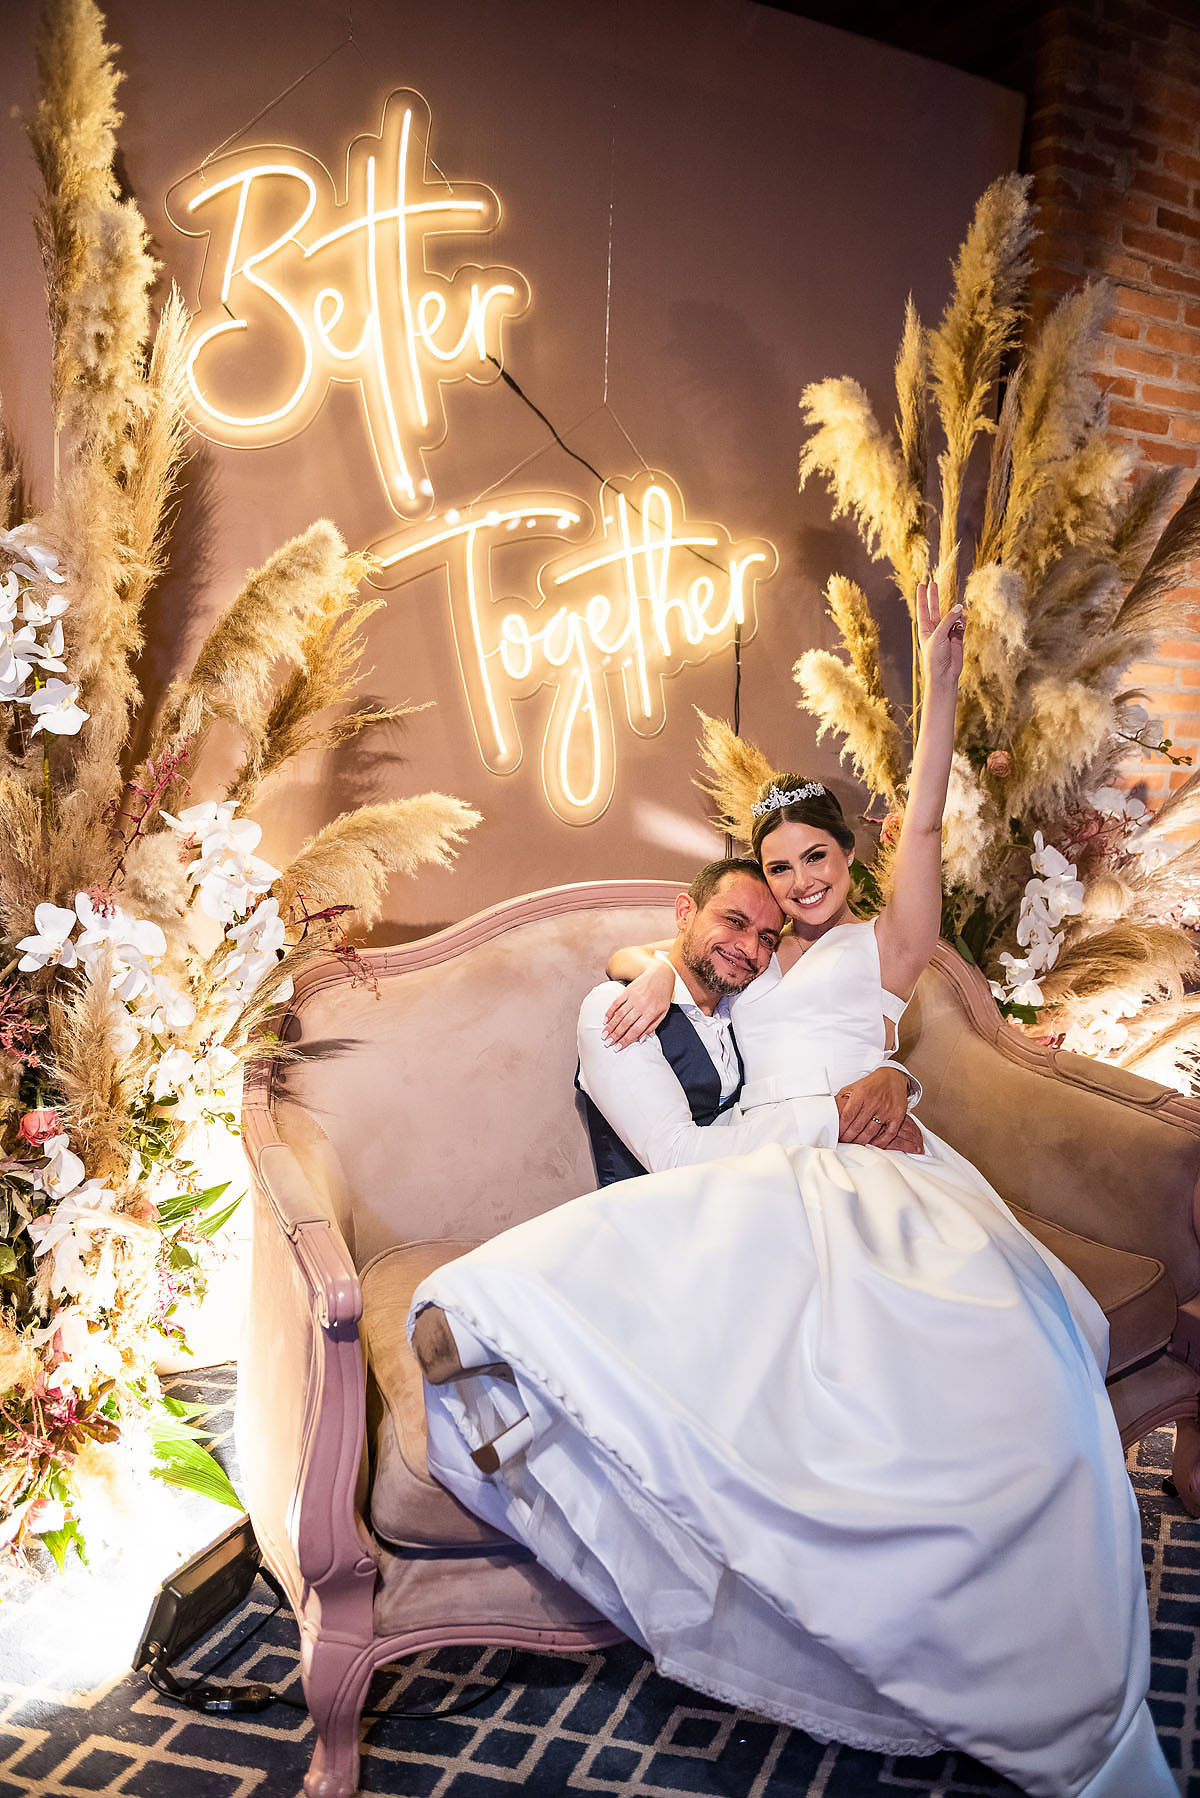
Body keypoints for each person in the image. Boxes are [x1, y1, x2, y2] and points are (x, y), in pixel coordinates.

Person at [411, 582, 1175, 1798]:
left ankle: (1016, 1646)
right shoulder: (745, 959)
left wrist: (939, 671)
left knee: (965, 1342)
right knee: (744, 1307)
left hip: (874, 1155)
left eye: (815, 857)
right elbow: (687, 979)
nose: (798, 882)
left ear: (846, 860)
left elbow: (923, 823)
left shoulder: (887, 946)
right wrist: (649, 960)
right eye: (777, 868)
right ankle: (527, 1344)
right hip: (770, 1154)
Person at [575, 854, 923, 1186]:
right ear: (685, 913)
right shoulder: (613, 1008)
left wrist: (893, 1076)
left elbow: (811, 1049)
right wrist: (835, 1118)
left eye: (766, 938)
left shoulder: (739, 1010)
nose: (749, 948)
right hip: (655, 1222)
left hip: (756, 1197)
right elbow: (674, 1156)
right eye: (734, 921)